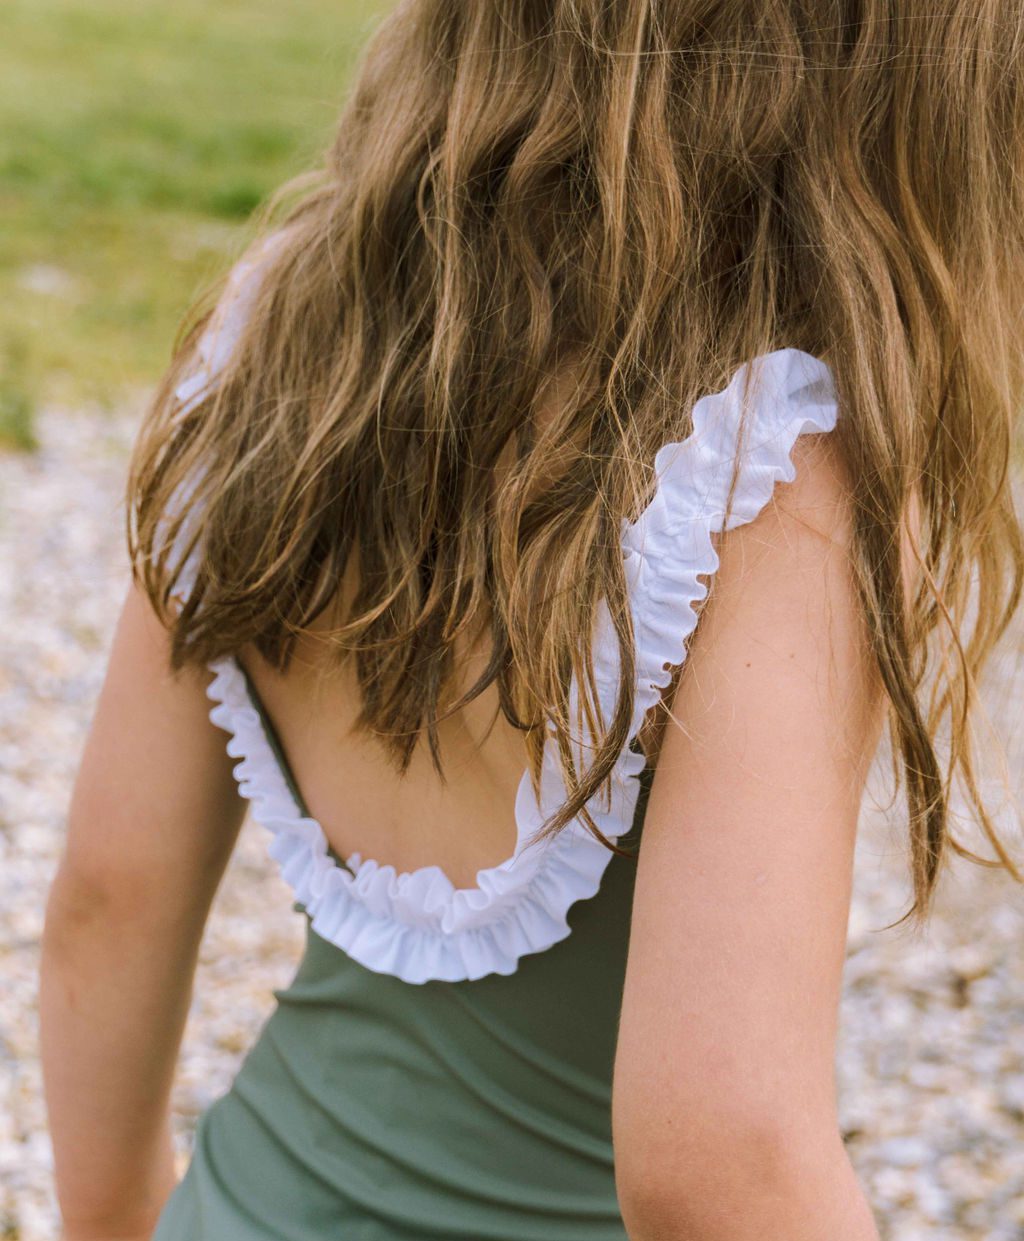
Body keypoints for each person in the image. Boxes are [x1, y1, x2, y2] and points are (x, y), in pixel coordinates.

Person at [39, 3, 1024, 1239]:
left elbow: (106, 903)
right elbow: (721, 1156)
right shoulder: (774, 471)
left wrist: (119, 1221)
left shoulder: (273, 334)